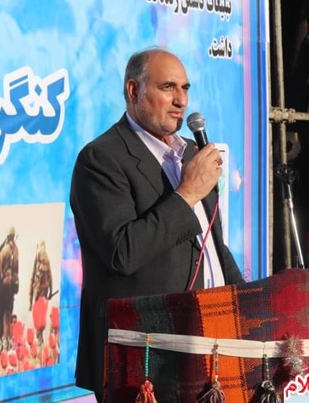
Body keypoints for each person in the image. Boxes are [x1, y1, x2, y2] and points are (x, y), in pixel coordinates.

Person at [70, 47, 245, 402]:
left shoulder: (191, 153)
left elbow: (212, 246)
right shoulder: (101, 159)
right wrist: (186, 194)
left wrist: (247, 306)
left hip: (209, 346)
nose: (181, 100)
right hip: (144, 359)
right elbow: (122, 251)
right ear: (133, 90)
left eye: (185, 88)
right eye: (168, 87)